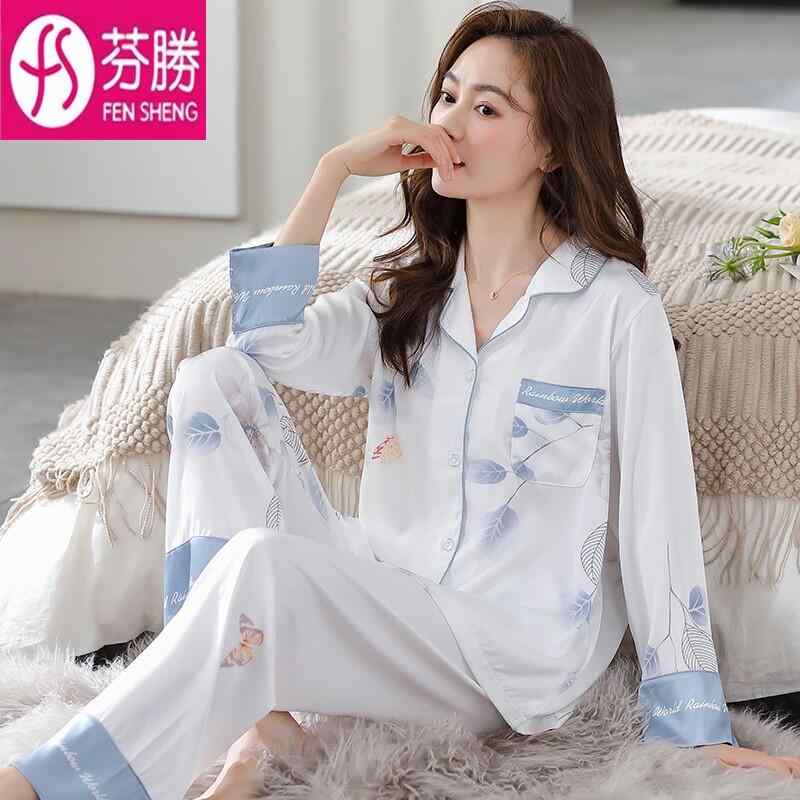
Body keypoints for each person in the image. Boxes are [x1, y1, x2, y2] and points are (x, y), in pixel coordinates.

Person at [3, 3, 800, 797]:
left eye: (487, 108)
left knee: (260, 563)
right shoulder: (409, 294)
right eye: (448, 96)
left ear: (554, 146)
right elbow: (263, 343)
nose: (449, 123)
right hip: (391, 591)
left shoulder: (614, 309)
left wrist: (693, 723)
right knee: (211, 380)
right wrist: (333, 171)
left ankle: (53, 782)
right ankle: (250, 713)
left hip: (509, 654)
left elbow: (659, 518)